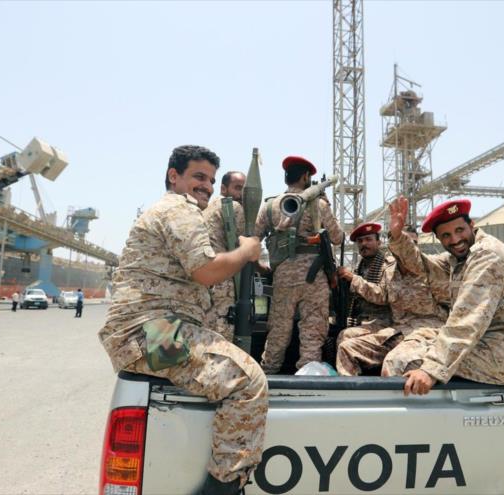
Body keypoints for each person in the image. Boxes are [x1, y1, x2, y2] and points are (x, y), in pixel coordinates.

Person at [98, 145, 267, 495]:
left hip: (144, 333)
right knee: (247, 381)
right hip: (150, 336)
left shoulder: (174, 210)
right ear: (174, 176)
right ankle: (223, 486)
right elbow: (206, 271)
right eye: (198, 177)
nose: (205, 186)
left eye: (210, 179)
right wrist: (247, 251)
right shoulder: (179, 207)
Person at [381, 196, 504, 396]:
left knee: (404, 363)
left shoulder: (487, 256)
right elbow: (421, 266)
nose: (455, 240)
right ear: (439, 239)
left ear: (472, 225)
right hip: (486, 343)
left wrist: (431, 369)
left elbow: (467, 321)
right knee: (408, 345)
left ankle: (413, 425)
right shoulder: (459, 259)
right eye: (446, 235)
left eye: (459, 230)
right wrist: (397, 236)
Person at [254, 156, 345, 374]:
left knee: (278, 330)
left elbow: (252, 239)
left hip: (282, 276)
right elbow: (338, 238)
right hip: (313, 278)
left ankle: (267, 374)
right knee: (312, 333)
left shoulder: (269, 206)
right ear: (306, 177)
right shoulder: (319, 205)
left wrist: (260, 267)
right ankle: (307, 376)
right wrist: (326, 204)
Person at [335, 224, 450, 376]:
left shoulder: (434, 269)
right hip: (399, 330)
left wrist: (354, 280)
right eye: (401, 243)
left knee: (395, 361)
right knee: (346, 346)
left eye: (411, 243)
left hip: (426, 331)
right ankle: (352, 393)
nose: (407, 248)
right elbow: (383, 294)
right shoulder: (390, 272)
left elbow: (455, 304)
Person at [202, 171, 248, 341]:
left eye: (244, 190)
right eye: (237, 188)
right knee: (223, 332)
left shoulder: (207, 207)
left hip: (203, 276)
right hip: (222, 279)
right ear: (223, 188)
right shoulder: (234, 208)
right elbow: (245, 244)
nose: (241, 194)